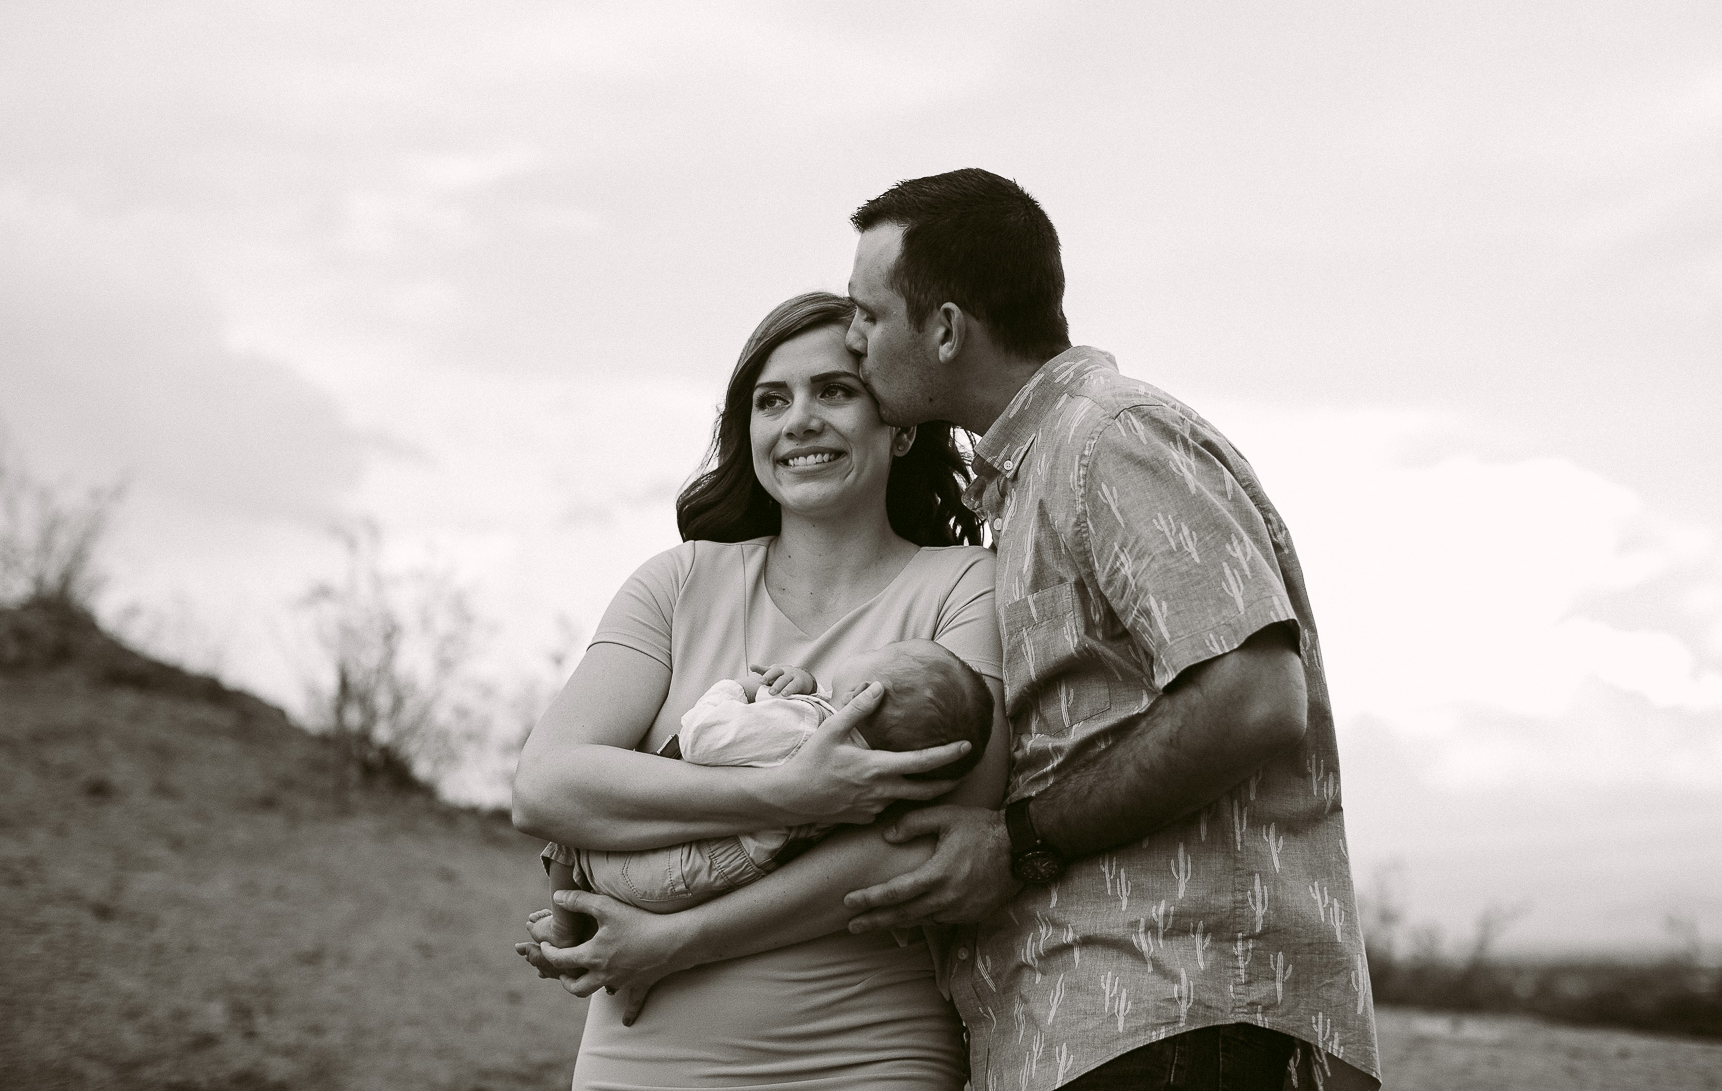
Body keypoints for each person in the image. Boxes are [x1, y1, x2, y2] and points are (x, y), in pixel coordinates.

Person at [835, 169, 1382, 1090]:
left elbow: (1251, 699)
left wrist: (1018, 841)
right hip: (1104, 1029)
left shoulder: (1111, 439)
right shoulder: (1036, 476)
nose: (851, 340)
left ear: (944, 328)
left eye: (866, 313)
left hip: (1181, 1019)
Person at [511, 291, 1009, 1091]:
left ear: (902, 425)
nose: (799, 420)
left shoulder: (965, 587)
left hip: (867, 1054)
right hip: (643, 1057)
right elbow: (546, 785)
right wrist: (790, 791)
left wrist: (678, 941)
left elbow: (934, 836)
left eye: (835, 391)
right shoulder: (677, 584)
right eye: (771, 400)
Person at [536, 639, 992, 943]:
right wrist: (806, 689)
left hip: (679, 864)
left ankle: (565, 927)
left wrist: (739, 689)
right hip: (731, 876)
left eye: (885, 648)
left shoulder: (799, 724)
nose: (872, 644)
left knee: (574, 831)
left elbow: (702, 737)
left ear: (863, 692)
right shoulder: (875, 782)